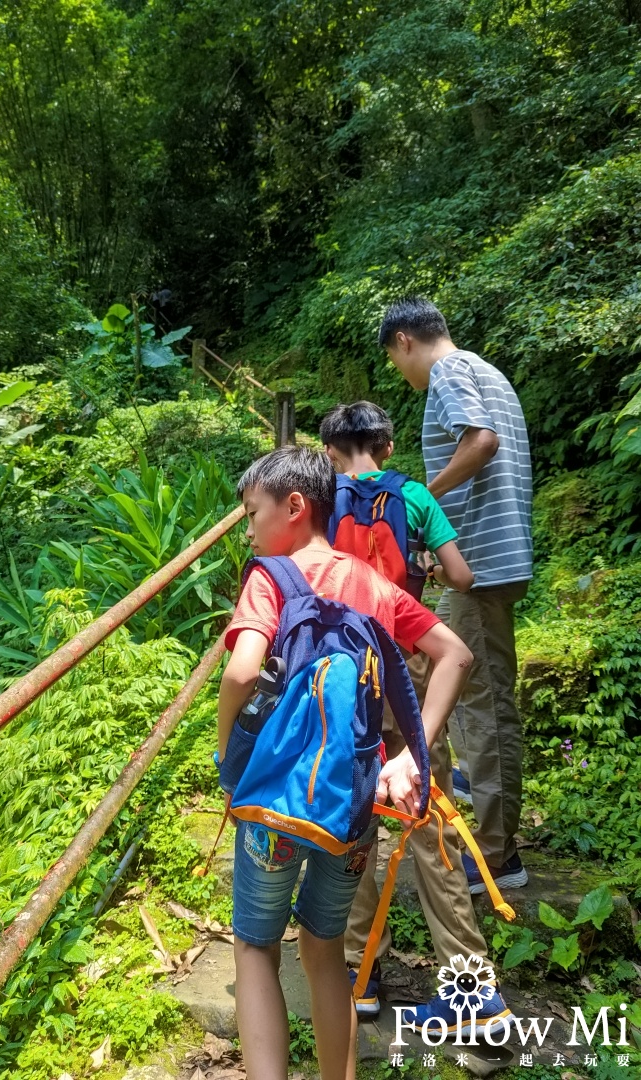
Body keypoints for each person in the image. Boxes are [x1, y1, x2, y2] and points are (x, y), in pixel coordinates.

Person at [218, 446, 483, 1080]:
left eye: (252, 513)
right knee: (323, 946)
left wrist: (228, 750)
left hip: (275, 801)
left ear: (294, 506)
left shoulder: (271, 577)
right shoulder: (373, 585)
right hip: (354, 799)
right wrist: (407, 757)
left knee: (255, 947)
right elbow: (456, 655)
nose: (248, 528)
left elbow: (242, 669)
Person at [320, 401, 498, 1026]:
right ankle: (470, 988)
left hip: (342, 671)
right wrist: (418, 567)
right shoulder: (417, 495)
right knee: (433, 821)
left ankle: (358, 973)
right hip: (413, 663)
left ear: (329, 451)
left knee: (351, 820)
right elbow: (463, 575)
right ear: (389, 447)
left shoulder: (317, 497)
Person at [378, 295, 533, 896]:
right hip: (484, 561)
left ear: (405, 343)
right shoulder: (485, 369)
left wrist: (420, 497)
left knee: (485, 707)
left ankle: (498, 855)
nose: (403, 374)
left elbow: (481, 442)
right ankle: (460, 776)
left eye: (396, 361)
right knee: (437, 675)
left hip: (485, 569)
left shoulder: (448, 372)